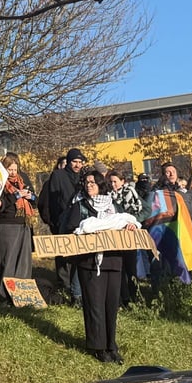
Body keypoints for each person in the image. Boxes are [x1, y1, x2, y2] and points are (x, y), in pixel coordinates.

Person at [64, 170, 140, 363]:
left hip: (113, 261)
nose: (89, 185)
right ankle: (98, 347)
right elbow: (69, 229)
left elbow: (126, 222)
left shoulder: (114, 206)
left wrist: (129, 227)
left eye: (93, 182)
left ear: (101, 185)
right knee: (95, 305)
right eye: (86, 182)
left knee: (111, 305)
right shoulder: (80, 206)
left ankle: (111, 345)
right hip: (90, 263)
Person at [0, 154, 35, 302]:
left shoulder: (23, 179)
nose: (12, 172)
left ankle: (21, 295)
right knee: (8, 259)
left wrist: (31, 197)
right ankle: (4, 295)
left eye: (15, 169)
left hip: (24, 223)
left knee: (24, 260)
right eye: (9, 169)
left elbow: (35, 201)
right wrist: (16, 196)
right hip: (7, 223)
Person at [48, 148, 86, 302]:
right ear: (69, 162)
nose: (77, 165)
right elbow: (53, 200)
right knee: (63, 256)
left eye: (80, 162)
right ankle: (64, 285)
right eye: (74, 162)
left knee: (78, 256)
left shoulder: (83, 176)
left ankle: (77, 288)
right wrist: (55, 222)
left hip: (80, 222)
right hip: (62, 220)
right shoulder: (58, 175)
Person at [108, 170, 143, 307]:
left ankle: (136, 296)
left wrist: (133, 222)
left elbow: (139, 209)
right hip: (115, 236)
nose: (113, 184)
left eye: (115, 181)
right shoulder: (108, 195)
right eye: (110, 182)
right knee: (119, 269)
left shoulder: (130, 192)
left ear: (122, 181)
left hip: (129, 234)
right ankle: (124, 298)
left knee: (131, 268)